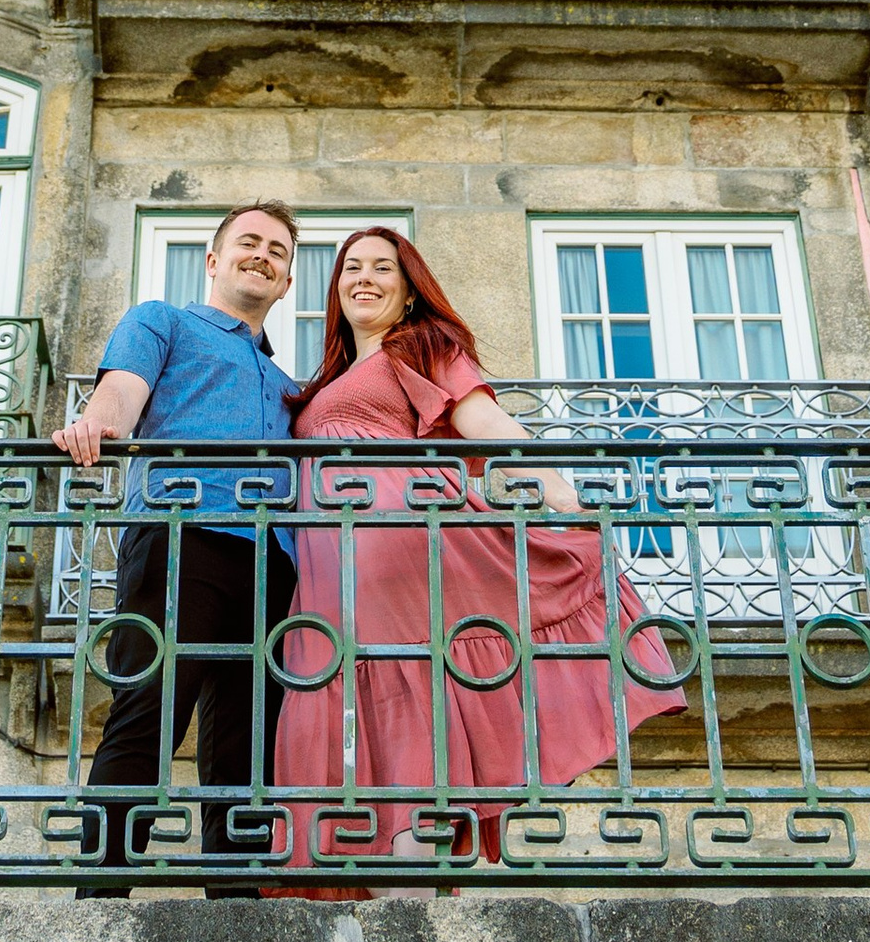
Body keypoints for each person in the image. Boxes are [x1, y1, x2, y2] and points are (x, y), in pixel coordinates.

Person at [275, 225, 684, 891]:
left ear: (409, 295)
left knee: (407, 695)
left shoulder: (420, 346)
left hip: (401, 543)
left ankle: (411, 890)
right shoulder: (327, 380)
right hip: (331, 577)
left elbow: (488, 427)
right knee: (364, 710)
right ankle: (395, 885)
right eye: (352, 267)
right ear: (335, 288)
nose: (365, 278)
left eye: (384, 268)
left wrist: (562, 495)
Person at [58, 200, 301, 896]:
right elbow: (121, 396)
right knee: (150, 709)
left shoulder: (288, 387)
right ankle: (101, 895)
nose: (262, 254)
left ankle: (237, 905)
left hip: (272, 564)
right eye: (248, 242)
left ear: (286, 283)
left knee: (248, 742)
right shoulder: (161, 320)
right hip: (179, 536)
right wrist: (94, 426)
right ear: (214, 259)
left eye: (277, 251)